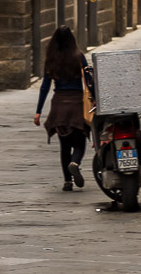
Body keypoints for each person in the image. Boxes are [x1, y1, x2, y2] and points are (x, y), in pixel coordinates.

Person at [33, 25, 95, 192]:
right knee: (80, 141)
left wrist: (38, 111)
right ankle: (75, 163)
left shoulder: (51, 59)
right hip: (76, 104)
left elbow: (45, 87)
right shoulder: (78, 57)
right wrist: (95, 100)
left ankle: (68, 182)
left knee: (64, 145)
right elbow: (89, 80)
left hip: (58, 104)